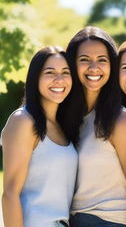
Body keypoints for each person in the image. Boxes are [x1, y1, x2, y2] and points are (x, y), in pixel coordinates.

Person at [66, 26, 126, 227]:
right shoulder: (66, 120)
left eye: (102, 60)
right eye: (84, 59)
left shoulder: (119, 121)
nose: (94, 67)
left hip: (109, 221)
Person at [1, 46, 79, 227]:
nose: (59, 80)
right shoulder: (24, 121)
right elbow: (10, 194)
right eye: (50, 72)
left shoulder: (61, 126)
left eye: (65, 72)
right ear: (35, 77)